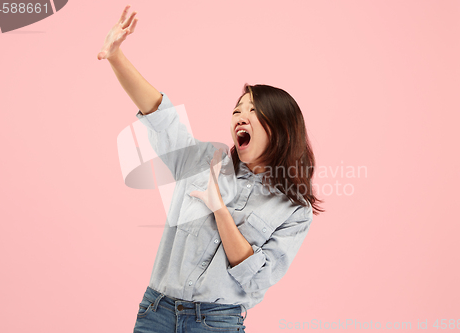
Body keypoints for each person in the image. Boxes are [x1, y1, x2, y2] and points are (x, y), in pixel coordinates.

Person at [98, 5, 324, 333]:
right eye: (237, 109)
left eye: (253, 110)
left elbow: (256, 278)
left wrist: (219, 209)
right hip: (156, 311)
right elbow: (161, 116)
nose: (239, 116)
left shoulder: (294, 210)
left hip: (217, 322)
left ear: (279, 128)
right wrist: (116, 55)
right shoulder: (204, 160)